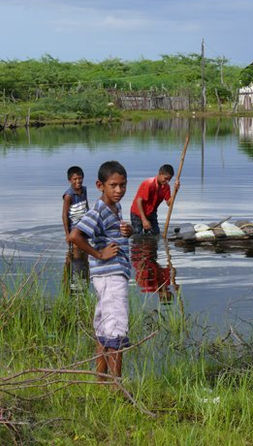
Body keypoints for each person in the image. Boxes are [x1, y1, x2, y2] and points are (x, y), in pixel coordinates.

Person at [69, 161, 133, 379]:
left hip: (110, 275)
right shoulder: (98, 210)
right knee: (116, 327)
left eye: (122, 185)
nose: (119, 190)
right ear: (100, 185)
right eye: (113, 185)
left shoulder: (115, 208)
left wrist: (128, 231)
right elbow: (75, 235)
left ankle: (101, 381)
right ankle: (116, 385)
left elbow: (112, 235)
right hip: (110, 275)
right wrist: (98, 254)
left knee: (105, 328)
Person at [130, 164, 180, 235]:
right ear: (160, 174)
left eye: (169, 179)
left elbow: (169, 204)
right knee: (138, 235)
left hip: (151, 212)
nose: (167, 181)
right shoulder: (149, 184)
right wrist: (144, 220)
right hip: (138, 213)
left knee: (155, 234)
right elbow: (139, 201)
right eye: (165, 178)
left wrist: (175, 190)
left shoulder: (166, 187)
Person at [62, 166, 89, 287]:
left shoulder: (84, 190)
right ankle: (70, 264)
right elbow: (64, 215)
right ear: (70, 180)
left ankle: (84, 274)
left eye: (80, 178)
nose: (78, 181)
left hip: (84, 226)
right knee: (77, 252)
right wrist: (67, 235)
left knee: (86, 253)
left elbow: (86, 206)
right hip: (74, 228)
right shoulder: (68, 195)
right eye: (75, 179)